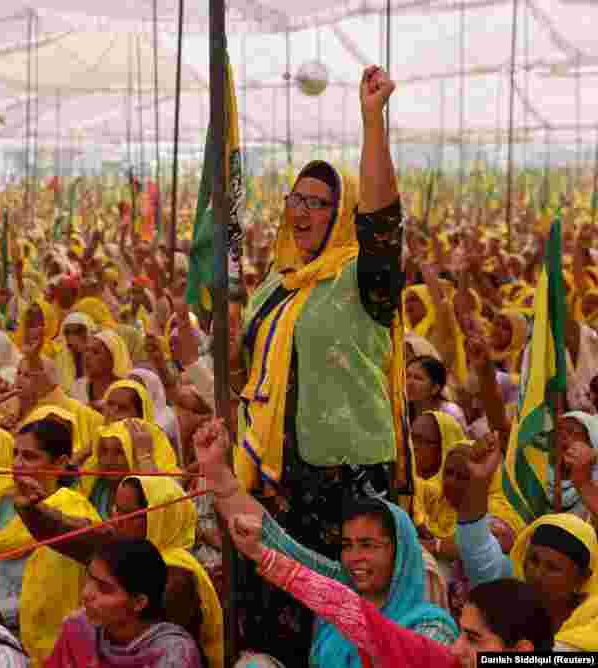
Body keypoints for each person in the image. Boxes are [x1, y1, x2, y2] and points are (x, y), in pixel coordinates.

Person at [228, 66, 406, 663]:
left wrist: (372, 121)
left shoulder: (362, 277)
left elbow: (383, 223)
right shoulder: (272, 288)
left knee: (345, 615)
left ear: (342, 213)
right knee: (277, 616)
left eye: (321, 203)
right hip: (279, 480)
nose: (303, 212)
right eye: (296, 199)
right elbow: (252, 378)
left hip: (346, 477)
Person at [194, 419, 456, 667]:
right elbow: (278, 543)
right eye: (347, 545)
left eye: (368, 545)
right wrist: (218, 475)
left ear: (400, 552)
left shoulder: (432, 627)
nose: (354, 557)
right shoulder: (339, 584)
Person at [227, 513, 554, 668]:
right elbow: (355, 615)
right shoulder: (442, 660)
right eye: (348, 545)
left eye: (472, 638)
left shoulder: (433, 628)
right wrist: (265, 555)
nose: (455, 647)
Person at [16, 475, 224, 668]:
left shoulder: (177, 578)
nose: (116, 518)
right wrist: (33, 510)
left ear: (160, 516)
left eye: (128, 514)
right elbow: (74, 534)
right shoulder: (123, 546)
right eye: (116, 509)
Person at [453, 438, 598, 651]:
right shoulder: (512, 597)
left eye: (553, 568)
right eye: (533, 560)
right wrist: (478, 482)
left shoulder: (592, 622)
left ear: (581, 578)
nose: (537, 574)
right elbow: (477, 551)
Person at [46, 538, 204, 668]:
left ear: (139, 602)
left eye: (104, 588)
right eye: (89, 579)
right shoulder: (78, 628)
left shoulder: (173, 654)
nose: (86, 594)